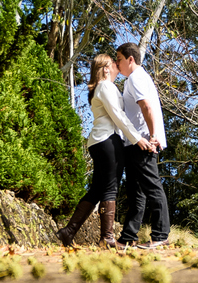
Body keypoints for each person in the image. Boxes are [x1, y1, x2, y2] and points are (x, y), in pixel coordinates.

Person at [57, 53, 154, 247]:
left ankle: (68, 232)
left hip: (97, 141)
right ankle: (107, 238)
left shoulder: (100, 88)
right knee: (110, 188)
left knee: (96, 191)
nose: (118, 66)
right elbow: (118, 115)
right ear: (106, 68)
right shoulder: (106, 86)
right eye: (114, 63)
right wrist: (137, 139)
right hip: (108, 141)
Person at [114, 42, 170, 249]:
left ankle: (161, 234)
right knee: (136, 192)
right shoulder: (134, 79)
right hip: (136, 142)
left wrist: (153, 135)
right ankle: (127, 237)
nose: (116, 63)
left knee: (151, 187)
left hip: (143, 142)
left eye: (119, 59)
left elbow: (146, 106)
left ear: (130, 59)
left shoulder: (136, 77)